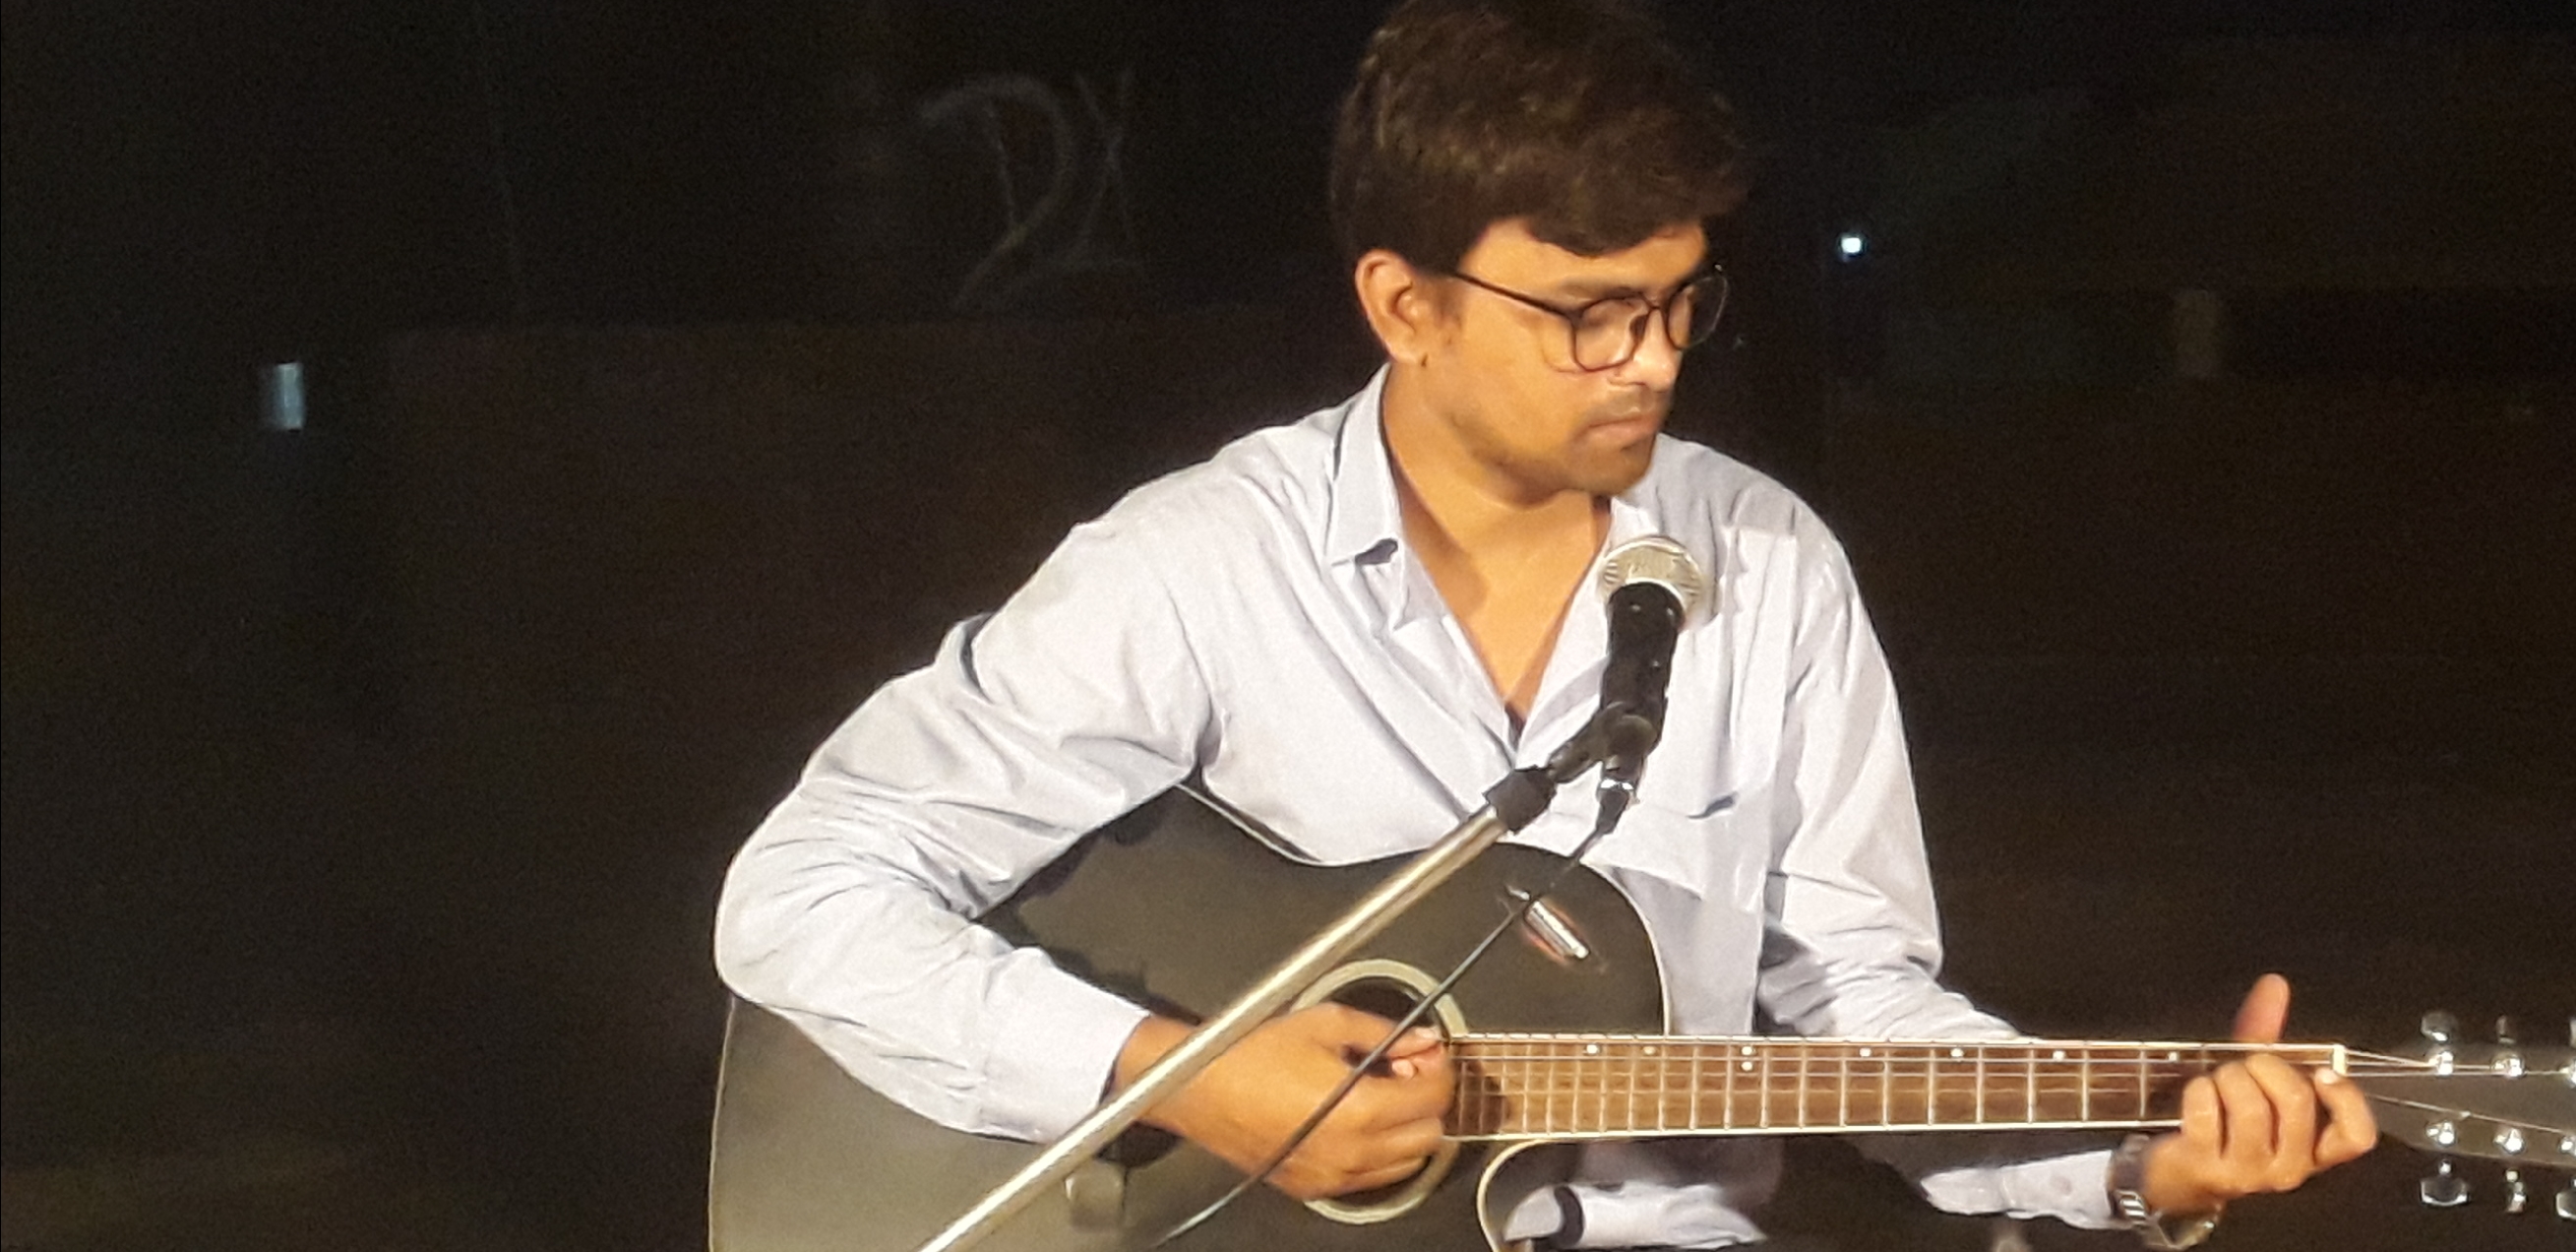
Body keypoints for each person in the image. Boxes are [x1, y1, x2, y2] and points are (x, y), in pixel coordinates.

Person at [714, 0, 2376, 1245]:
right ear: (1404, 304)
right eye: (1587, 316)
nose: (1647, 363)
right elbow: (801, 892)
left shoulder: (1767, 565)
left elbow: (1855, 1008)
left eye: (1676, 302)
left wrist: (2142, 1158)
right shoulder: (1199, 566)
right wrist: (1180, 1071)